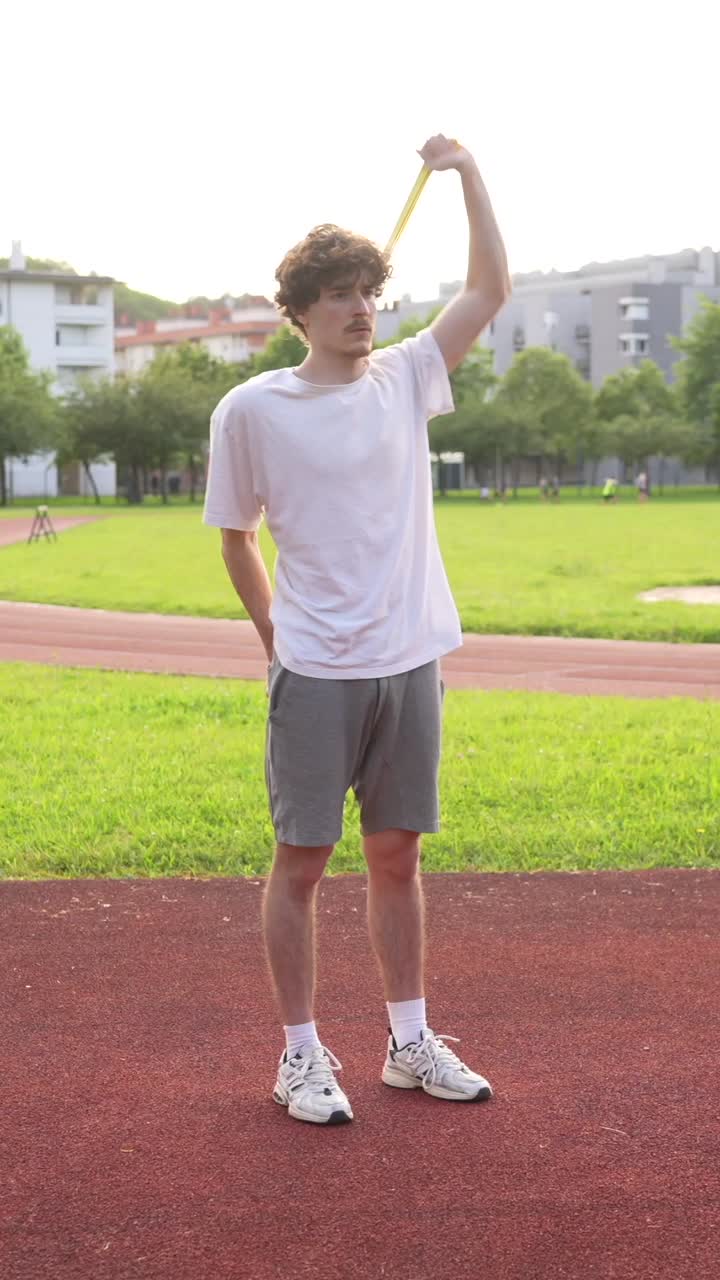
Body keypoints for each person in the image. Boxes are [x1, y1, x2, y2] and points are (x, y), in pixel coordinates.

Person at [203, 133, 511, 1126]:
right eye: (338, 293)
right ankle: (300, 1053)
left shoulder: (409, 376)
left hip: (409, 657)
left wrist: (470, 174)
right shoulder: (252, 409)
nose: (360, 307)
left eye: (369, 290)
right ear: (298, 311)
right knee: (301, 861)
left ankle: (409, 1041)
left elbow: (490, 287)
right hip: (318, 667)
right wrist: (274, 636)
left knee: (399, 857)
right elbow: (236, 536)